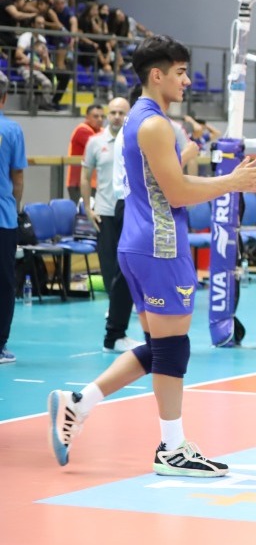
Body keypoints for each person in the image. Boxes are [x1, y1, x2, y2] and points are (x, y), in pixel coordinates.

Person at [47, 35, 256, 475]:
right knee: (173, 348)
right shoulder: (154, 124)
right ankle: (172, 448)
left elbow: (157, 178)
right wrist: (234, 182)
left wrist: (186, 155)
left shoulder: (141, 119)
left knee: (160, 346)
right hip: (160, 245)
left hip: (140, 242)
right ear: (157, 75)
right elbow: (177, 192)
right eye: (180, 72)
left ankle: (80, 402)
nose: (187, 81)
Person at [81, 97, 143, 353]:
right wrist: (88, 208)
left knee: (125, 266)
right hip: (106, 211)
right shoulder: (96, 142)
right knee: (110, 265)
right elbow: (85, 176)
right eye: (113, 112)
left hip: (127, 209)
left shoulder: (132, 138)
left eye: (121, 112)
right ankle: (115, 318)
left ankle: (120, 315)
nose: (117, 116)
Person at [0, 76, 25, 364]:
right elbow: (17, 176)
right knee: (4, 283)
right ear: (5, 98)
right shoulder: (11, 130)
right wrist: (15, 207)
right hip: (3, 218)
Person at [67, 104, 104, 202]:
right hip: (79, 183)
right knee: (84, 211)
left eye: (102, 116)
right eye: (96, 116)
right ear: (87, 117)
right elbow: (100, 147)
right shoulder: (82, 130)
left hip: (94, 183)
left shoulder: (101, 131)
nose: (100, 119)